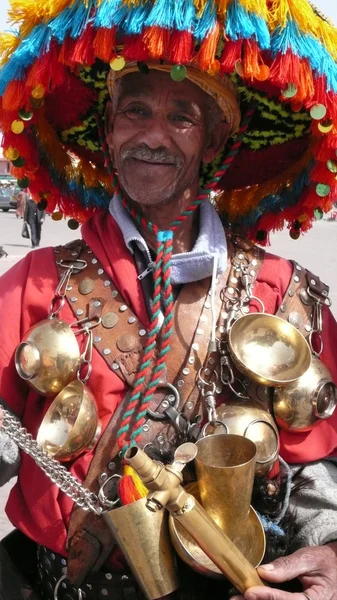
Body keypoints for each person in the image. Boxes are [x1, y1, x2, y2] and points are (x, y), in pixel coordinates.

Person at [0, 1, 337, 600]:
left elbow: (317, 462)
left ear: (214, 142)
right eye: (135, 111)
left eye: (182, 117)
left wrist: (332, 552)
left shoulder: (283, 292)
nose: (152, 135)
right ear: (107, 133)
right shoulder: (34, 283)